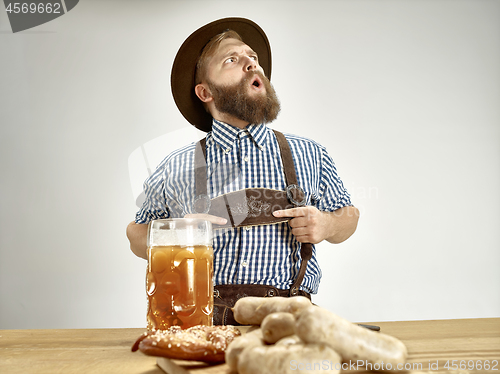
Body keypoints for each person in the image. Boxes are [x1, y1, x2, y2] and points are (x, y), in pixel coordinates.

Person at [126, 17, 360, 325]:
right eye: (232, 59)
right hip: (199, 323)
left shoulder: (309, 153)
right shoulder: (176, 165)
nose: (251, 64)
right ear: (205, 92)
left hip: (287, 321)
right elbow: (135, 234)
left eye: (253, 58)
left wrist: (328, 224)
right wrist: (180, 233)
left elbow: (349, 216)